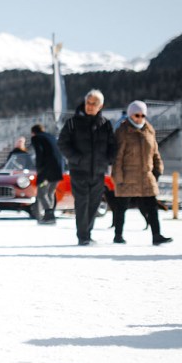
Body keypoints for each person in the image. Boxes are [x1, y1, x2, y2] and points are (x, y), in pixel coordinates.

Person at [57, 89, 116, 246]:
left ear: (100, 105)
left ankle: (87, 233)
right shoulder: (72, 123)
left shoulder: (105, 124)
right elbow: (62, 143)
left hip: (98, 171)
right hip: (79, 171)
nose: (90, 106)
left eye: (94, 103)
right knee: (82, 203)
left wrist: (108, 160)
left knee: (94, 204)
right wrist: (77, 159)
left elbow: (113, 145)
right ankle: (82, 236)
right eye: (88, 103)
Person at [111, 101, 172, 246]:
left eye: (142, 115)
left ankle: (156, 235)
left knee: (152, 207)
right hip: (127, 176)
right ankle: (118, 235)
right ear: (130, 115)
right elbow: (118, 156)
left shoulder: (149, 130)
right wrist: (117, 176)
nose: (139, 118)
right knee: (121, 207)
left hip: (146, 176)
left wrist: (158, 170)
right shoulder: (122, 131)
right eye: (136, 115)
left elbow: (155, 152)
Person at [30, 123, 64, 224]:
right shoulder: (51, 137)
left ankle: (49, 216)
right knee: (50, 192)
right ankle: (50, 214)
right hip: (58, 170)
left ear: (33, 132)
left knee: (41, 193)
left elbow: (39, 154)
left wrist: (39, 169)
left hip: (46, 172)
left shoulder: (37, 138)